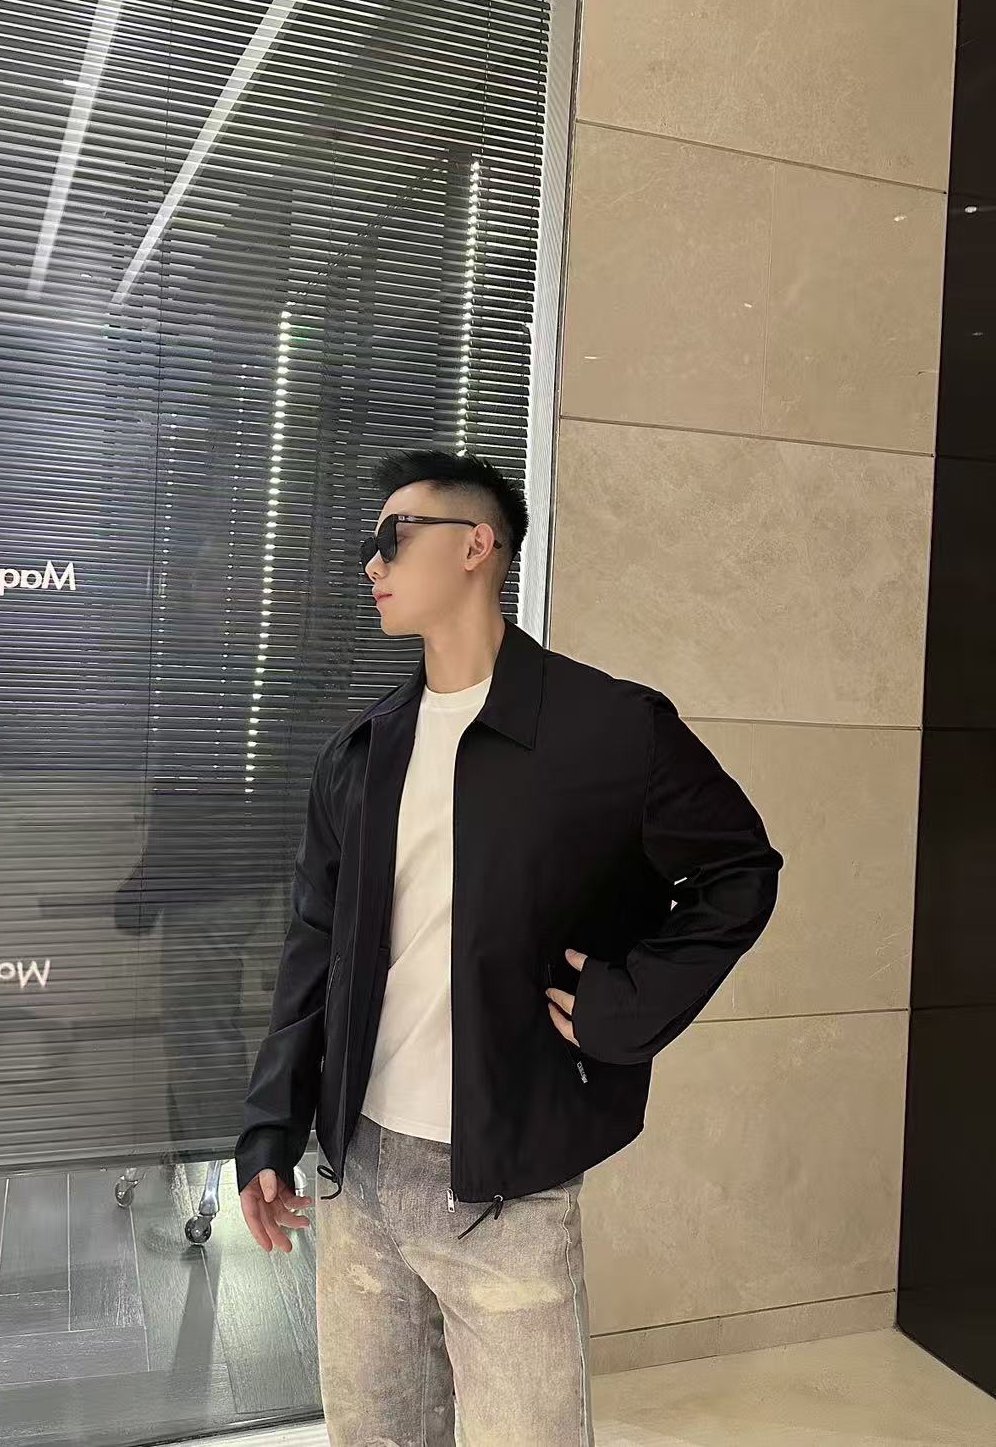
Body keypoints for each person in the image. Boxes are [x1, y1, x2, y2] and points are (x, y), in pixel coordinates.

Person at [234, 446, 784, 1446]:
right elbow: (315, 942)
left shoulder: (609, 729)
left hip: (506, 1184)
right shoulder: (363, 751)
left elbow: (737, 870)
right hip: (357, 1172)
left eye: (394, 536)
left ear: (475, 544)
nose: (371, 563)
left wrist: (627, 1005)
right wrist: (272, 1122)